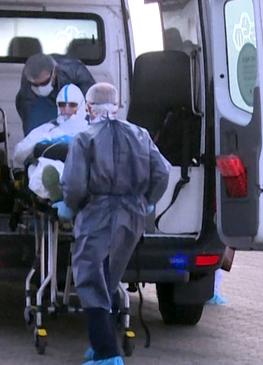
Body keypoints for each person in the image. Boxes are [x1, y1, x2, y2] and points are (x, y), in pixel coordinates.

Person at [55, 82, 170, 364]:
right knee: (109, 277)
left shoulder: (84, 138)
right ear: (117, 106)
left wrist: (71, 206)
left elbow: (73, 184)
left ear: (89, 107)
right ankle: (101, 345)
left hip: (97, 214)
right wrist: (148, 200)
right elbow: (163, 171)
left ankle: (107, 352)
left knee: (91, 280)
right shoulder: (140, 135)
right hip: (132, 216)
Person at [16, 53, 95, 135]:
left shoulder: (75, 71)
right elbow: (27, 113)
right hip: (44, 104)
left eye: (44, 83)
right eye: (35, 85)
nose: (39, 88)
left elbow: (92, 101)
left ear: (54, 72)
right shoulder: (29, 76)